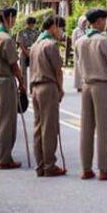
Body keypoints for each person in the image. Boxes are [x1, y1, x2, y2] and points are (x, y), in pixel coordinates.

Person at [76, 9, 107, 181]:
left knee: (86, 127)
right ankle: (103, 168)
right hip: (101, 84)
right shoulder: (104, 40)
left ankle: (86, 168)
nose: (106, 23)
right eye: (104, 20)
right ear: (99, 21)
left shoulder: (80, 41)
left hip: (86, 85)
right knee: (103, 128)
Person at [29, 16, 66, 177]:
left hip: (35, 87)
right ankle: (50, 165)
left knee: (38, 127)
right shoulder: (50, 45)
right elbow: (58, 70)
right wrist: (60, 88)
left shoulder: (35, 45)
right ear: (53, 27)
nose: (62, 32)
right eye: (61, 28)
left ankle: (40, 165)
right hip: (48, 86)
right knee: (49, 127)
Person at [0, 8, 25, 169]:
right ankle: (4, 158)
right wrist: (21, 81)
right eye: (14, 18)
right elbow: (14, 64)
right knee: (7, 121)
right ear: (9, 17)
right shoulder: (6, 39)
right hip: (6, 81)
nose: (15, 21)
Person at [16, 17, 37, 88]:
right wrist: (26, 52)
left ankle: (32, 88)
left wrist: (31, 52)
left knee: (33, 72)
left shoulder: (36, 32)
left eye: (32, 24)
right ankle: (24, 87)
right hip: (23, 52)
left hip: (33, 52)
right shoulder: (21, 32)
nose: (31, 26)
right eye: (30, 24)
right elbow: (20, 43)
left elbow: (37, 43)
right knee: (23, 72)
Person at [71, 17, 88, 93]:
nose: (85, 23)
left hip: (86, 52)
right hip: (78, 52)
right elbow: (73, 42)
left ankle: (85, 85)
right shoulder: (76, 31)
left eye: (85, 22)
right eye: (83, 22)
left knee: (85, 69)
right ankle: (78, 86)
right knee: (78, 69)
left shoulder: (87, 30)